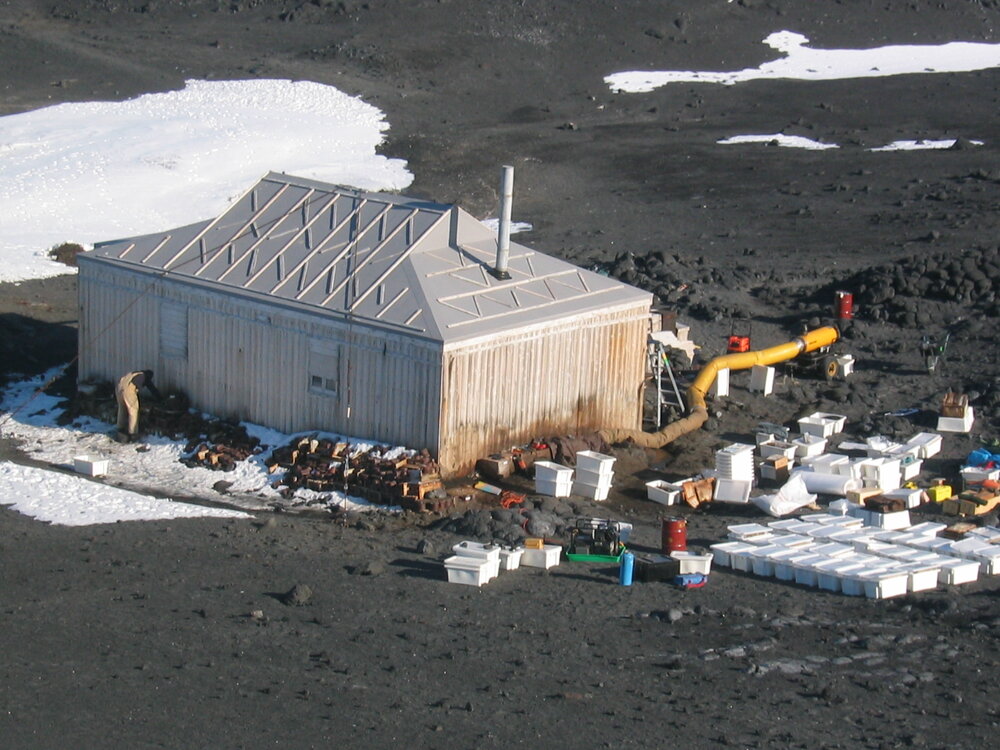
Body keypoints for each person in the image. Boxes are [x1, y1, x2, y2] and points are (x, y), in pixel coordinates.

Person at [115, 370, 161, 443]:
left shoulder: (133, 373)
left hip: (119, 388)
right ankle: (133, 433)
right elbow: (148, 386)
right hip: (128, 391)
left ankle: (120, 428)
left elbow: (149, 386)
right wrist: (160, 398)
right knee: (133, 411)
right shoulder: (142, 376)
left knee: (122, 409)